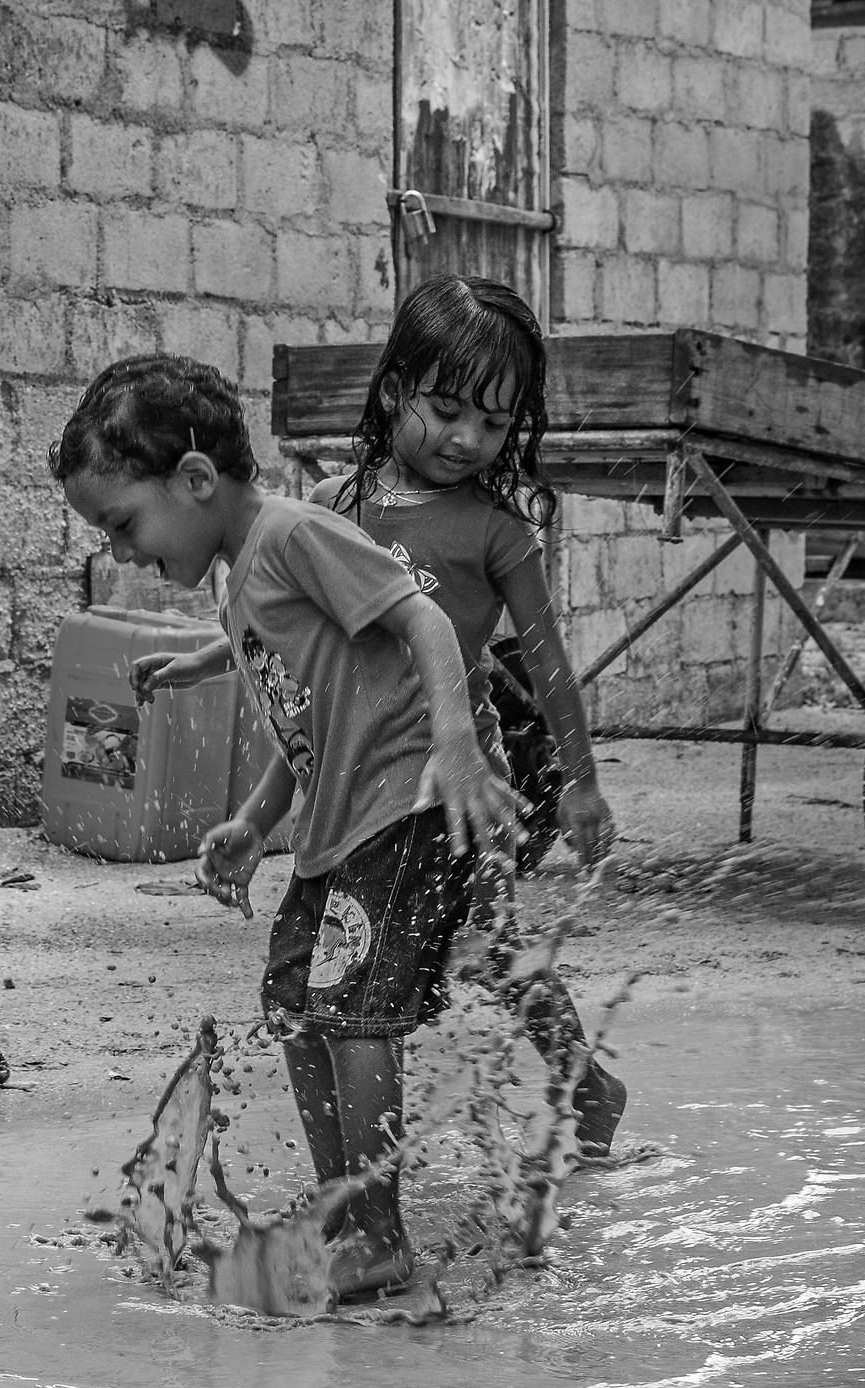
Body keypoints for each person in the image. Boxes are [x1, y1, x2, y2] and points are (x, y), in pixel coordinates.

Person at [52, 353, 520, 1302]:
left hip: (402, 809)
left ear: (194, 480)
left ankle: (379, 1234)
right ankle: (347, 1211)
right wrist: (254, 819)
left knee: (350, 1016)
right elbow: (306, 710)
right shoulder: (241, 573)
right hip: (333, 825)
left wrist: (461, 749)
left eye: (123, 524)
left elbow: (427, 624)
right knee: (294, 1009)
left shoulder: (295, 532)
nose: (127, 552)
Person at [130, 275, 629, 1159]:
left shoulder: (496, 531)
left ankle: (581, 1082)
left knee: (486, 946)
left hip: (453, 775)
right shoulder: (332, 506)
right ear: (395, 388)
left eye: (494, 422)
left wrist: (582, 783)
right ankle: (541, 1095)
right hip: (350, 770)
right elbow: (293, 652)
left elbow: (547, 662)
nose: (467, 439)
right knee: (372, 966)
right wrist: (207, 669)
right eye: (446, 409)